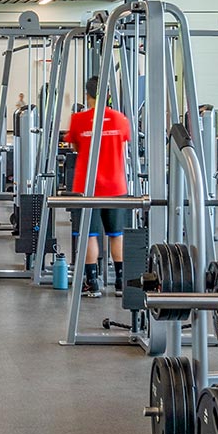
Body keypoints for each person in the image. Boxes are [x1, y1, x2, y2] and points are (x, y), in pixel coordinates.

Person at [63, 76, 133, 297]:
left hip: (87, 187)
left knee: (90, 235)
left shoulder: (78, 119)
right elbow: (124, 142)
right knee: (116, 234)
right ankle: (121, 282)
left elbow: (74, 147)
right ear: (109, 95)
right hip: (115, 186)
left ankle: (92, 283)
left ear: (87, 95)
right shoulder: (120, 118)